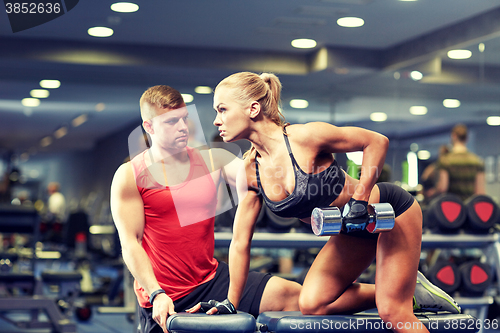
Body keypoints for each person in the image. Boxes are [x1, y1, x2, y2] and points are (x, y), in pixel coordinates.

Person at [210, 72, 461, 333]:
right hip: (353, 233)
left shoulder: (305, 137)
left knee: (393, 313)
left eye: (223, 109)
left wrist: (360, 201)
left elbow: (376, 142)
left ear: (252, 108)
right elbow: (240, 243)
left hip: (387, 213)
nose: (217, 120)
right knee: (312, 304)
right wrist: (232, 302)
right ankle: (411, 291)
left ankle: (400, 296)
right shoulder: (251, 173)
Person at [110, 85, 301, 333]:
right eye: (171, 122)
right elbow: (131, 244)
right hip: (164, 294)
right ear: (149, 126)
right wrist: (156, 293)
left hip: (212, 280)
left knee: (296, 296)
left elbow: (252, 176)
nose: (182, 127)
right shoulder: (130, 175)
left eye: (184, 119)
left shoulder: (212, 159)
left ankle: (371, 292)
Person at [436, 124, 485, 201]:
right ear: (467, 138)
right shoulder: (477, 161)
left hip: (453, 207)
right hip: (470, 208)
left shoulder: (446, 160)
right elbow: (480, 191)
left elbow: (442, 188)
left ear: (454, 136)